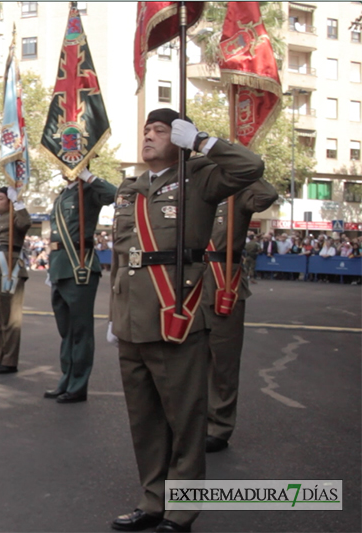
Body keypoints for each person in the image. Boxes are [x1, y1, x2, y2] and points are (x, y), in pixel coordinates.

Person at [109, 109, 264, 533]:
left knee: (184, 418)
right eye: (146, 129)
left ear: (179, 137)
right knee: (145, 421)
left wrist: (203, 142)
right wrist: (112, 314)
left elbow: (253, 169)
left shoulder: (201, 177)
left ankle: (182, 510)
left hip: (173, 311)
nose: (149, 135)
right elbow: (123, 258)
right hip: (130, 320)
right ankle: (153, 500)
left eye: (161, 130)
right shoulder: (132, 186)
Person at [201, 180, 278, 455]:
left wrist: (242, 170)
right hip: (188, 284)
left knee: (223, 362)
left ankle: (218, 427)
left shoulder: (237, 194)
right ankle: (191, 424)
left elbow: (267, 195)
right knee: (188, 362)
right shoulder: (191, 189)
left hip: (224, 285)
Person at [43, 168, 117, 403]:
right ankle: (66, 379)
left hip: (80, 266)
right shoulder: (63, 194)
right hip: (60, 266)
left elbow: (115, 195)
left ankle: (78, 385)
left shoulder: (89, 190)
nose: (64, 167)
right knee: (66, 331)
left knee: (81, 331)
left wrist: (90, 177)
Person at [0, 186, 32, 374]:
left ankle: (10, 360)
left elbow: (26, 222)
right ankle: (2, 355)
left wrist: (18, 202)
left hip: (7, 271)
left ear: (10, 201)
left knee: (10, 319)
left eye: (0, 198)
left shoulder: (15, 217)